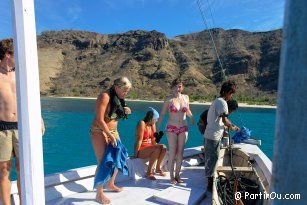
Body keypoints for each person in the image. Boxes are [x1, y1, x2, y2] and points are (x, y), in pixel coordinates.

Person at [0, 38, 45, 205]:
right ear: (7, 54)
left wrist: (38, 118)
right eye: (16, 54)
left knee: (22, 168)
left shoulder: (20, 74)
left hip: (22, 126)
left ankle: (23, 202)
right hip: (2, 127)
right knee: (4, 170)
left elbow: (31, 98)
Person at [90, 76, 132, 204]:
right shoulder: (105, 97)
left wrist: (127, 111)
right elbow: (99, 119)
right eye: (124, 90)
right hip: (100, 132)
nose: (126, 93)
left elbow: (115, 116)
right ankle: (99, 194)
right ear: (117, 87)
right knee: (103, 162)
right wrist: (109, 135)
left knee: (119, 157)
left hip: (113, 132)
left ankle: (110, 184)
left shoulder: (119, 98)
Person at [157, 78, 194, 184]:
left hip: (183, 127)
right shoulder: (169, 99)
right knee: (172, 152)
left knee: (180, 153)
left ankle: (178, 175)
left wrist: (191, 117)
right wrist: (157, 127)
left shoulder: (186, 98)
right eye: (177, 86)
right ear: (172, 87)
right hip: (172, 128)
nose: (179, 88)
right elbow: (163, 114)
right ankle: (172, 176)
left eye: (180, 86)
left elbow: (188, 109)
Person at [204, 80, 240, 192]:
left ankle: (210, 182)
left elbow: (220, 119)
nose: (231, 96)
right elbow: (224, 119)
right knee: (213, 159)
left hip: (210, 134)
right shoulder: (222, 102)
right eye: (231, 93)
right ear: (226, 92)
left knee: (210, 159)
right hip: (213, 136)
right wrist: (232, 127)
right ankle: (210, 186)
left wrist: (230, 125)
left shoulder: (217, 101)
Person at [134, 107, 167, 180]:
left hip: (149, 148)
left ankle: (158, 168)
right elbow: (139, 139)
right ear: (151, 118)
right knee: (157, 149)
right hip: (141, 149)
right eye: (156, 119)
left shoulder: (153, 125)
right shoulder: (142, 123)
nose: (157, 120)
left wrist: (158, 139)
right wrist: (135, 155)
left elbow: (153, 141)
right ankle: (149, 172)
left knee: (164, 147)